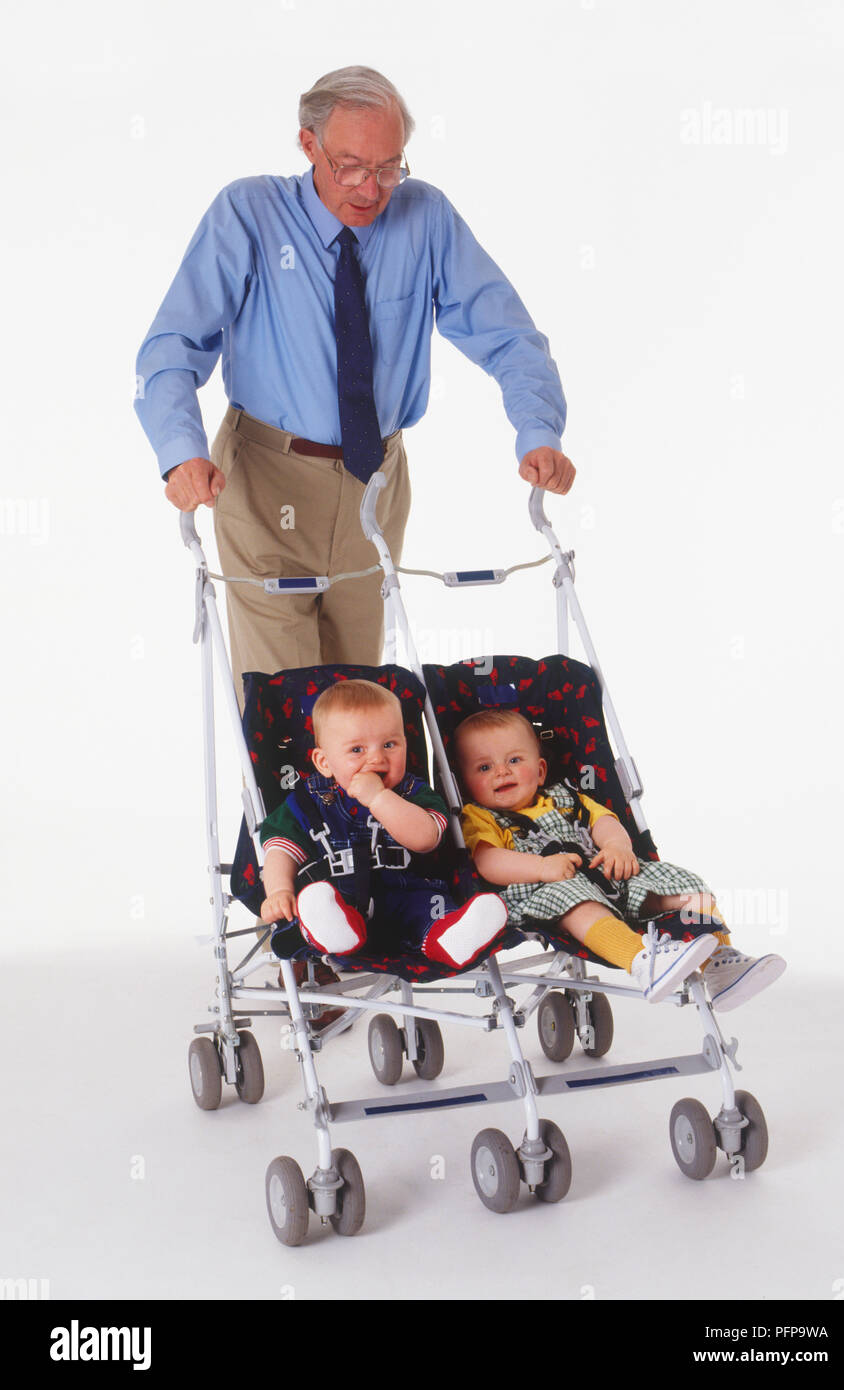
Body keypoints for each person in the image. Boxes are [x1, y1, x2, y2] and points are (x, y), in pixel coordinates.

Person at [134, 65, 575, 701]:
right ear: (307, 144)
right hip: (266, 482)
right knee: (289, 712)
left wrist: (538, 430)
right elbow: (171, 344)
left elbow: (508, 333)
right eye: (350, 167)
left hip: (377, 483)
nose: (371, 188)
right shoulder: (249, 213)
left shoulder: (425, 217)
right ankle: (263, 805)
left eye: (389, 167)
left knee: (360, 707)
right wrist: (181, 452)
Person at [453, 708, 787, 1008]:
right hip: (546, 892)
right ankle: (643, 960)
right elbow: (488, 861)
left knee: (686, 884)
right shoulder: (479, 816)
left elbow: (605, 823)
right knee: (576, 899)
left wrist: (617, 848)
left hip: (610, 877)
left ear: (540, 771)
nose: (501, 772)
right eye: (484, 767)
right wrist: (542, 867)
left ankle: (720, 963)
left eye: (514, 760)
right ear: (465, 783)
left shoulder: (568, 796)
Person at [259, 679, 507, 970]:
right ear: (324, 761)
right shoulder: (309, 801)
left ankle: (452, 938)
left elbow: (425, 838)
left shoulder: (415, 793)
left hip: (408, 892)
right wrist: (278, 890)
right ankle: (336, 934)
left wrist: (379, 798)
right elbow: (280, 849)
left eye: (390, 744)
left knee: (430, 910)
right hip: (341, 899)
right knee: (318, 903)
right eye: (356, 750)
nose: (377, 757)